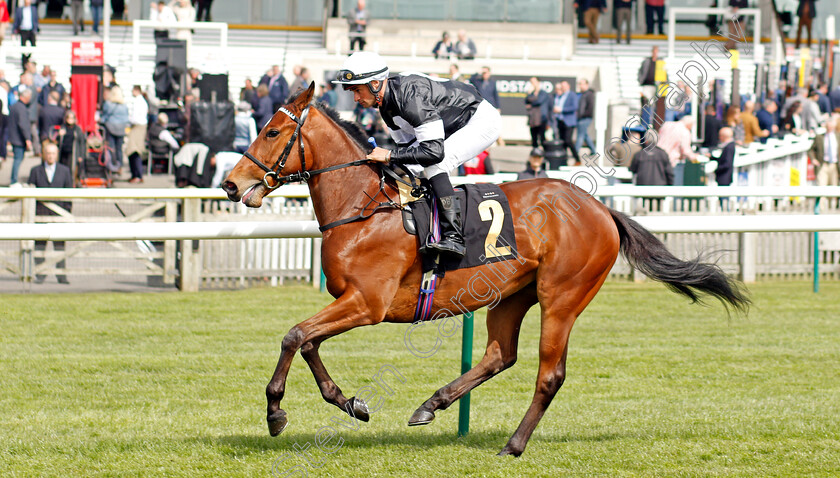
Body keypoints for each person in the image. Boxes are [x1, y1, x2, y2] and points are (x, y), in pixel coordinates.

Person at [333, 51, 502, 258]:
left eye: (358, 90)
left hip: (479, 120)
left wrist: (388, 156)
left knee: (435, 165)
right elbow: (410, 156)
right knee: (412, 167)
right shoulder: (385, 107)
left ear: (375, 84)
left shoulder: (409, 95)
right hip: (451, 126)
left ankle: (454, 237)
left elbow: (433, 152)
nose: (356, 98)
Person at [28, 142, 73, 285]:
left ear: (57, 155)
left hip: (59, 215)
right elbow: (29, 194)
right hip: (40, 214)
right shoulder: (35, 170)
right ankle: (40, 273)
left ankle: (61, 275)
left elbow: (69, 194)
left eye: (53, 153)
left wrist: (65, 212)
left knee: (59, 246)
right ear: (43, 154)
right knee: (39, 246)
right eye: (48, 153)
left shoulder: (64, 171)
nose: (50, 156)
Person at [100, 86, 130, 174]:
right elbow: (126, 118)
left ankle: (111, 166)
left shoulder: (108, 104)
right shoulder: (124, 106)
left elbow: (104, 116)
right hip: (121, 129)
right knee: (119, 149)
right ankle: (119, 166)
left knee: (111, 148)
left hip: (111, 127)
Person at [8, 87, 33, 185]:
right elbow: (23, 124)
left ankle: (13, 180)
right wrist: (27, 139)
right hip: (19, 139)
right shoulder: (21, 108)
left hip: (14, 137)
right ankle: (13, 181)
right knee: (18, 160)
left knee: (17, 159)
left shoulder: (14, 106)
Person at [552, 81, 580, 165]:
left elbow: (574, 107)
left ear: (568, 86)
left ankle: (577, 158)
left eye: (564, 86)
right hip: (561, 121)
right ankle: (564, 160)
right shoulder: (560, 96)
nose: (563, 88)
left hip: (569, 121)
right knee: (562, 142)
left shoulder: (572, 95)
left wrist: (562, 110)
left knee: (568, 141)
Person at [808, 116, 840, 186]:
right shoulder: (820, 137)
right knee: (822, 185)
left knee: (834, 186)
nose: (829, 128)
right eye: (828, 126)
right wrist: (813, 159)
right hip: (823, 164)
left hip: (834, 165)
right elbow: (811, 150)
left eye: (831, 126)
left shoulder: (838, 137)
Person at [126, 85, 149, 184]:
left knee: (134, 151)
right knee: (134, 152)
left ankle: (138, 175)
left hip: (137, 126)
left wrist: (128, 120)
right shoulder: (142, 101)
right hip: (139, 126)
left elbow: (135, 117)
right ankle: (136, 175)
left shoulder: (138, 101)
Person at [57, 109, 86, 180]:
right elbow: (57, 141)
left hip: (73, 153)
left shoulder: (77, 129)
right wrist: (59, 135)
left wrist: (81, 155)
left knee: (71, 170)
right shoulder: (63, 127)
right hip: (63, 153)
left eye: (72, 118)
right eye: (68, 118)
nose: (70, 120)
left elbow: (82, 143)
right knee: (62, 169)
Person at [525, 77, 550, 149]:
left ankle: (545, 155)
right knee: (534, 138)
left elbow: (538, 101)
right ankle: (535, 155)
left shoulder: (543, 93)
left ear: (538, 82)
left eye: (534, 82)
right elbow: (526, 101)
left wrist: (531, 103)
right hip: (533, 118)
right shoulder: (531, 93)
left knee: (542, 138)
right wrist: (529, 94)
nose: (532, 84)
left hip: (541, 118)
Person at [12, 0, 39, 67]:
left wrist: (36, 29)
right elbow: (16, 21)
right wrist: (13, 31)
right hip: (23, 30)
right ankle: (24, 63)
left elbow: (36, 20)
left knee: (33, 46)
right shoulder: (20, 9)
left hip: (31, 30)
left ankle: (28, 58)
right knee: (23, 47)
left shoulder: (34, 9)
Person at [575, 78, 596, 154]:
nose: (580, 86)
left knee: (580, 135)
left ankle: (575, 152)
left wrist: (582, 115)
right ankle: (593, 150)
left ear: (586, 84)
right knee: (585, 135)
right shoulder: (580, 94)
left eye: (582, 84)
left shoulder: (589, 94)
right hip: (580, 117)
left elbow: (589, 107)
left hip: (585, 118)